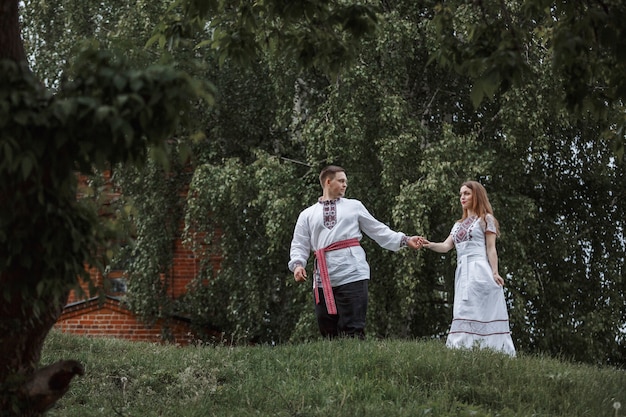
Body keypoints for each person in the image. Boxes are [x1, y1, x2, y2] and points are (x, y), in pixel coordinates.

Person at [288, 165, 420, 339]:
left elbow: (377, 229)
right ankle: (335, 366)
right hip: (323, 278)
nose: (345, 185)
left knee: (353, 328)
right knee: (327, 330)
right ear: (328, 182)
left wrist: (405, 239)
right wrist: (298, 265)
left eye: (346, 182)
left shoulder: (354, 206)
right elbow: (299, 243)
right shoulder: (307, 214)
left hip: (353, 272)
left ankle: (359, 364)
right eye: (341, 181)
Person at [417, 181, 516, 356]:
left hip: (480, 269)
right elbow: (446, 246)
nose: (462, 197)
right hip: (463, 272)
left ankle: (491, 350)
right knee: (463, 308)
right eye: (461, 194)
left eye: (467, 193)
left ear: (476, 195)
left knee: (479, 308)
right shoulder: (457, 225)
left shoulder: (486, 219)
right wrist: (428, 244)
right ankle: (462, 349)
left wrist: (495, 272)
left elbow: (491, 248)